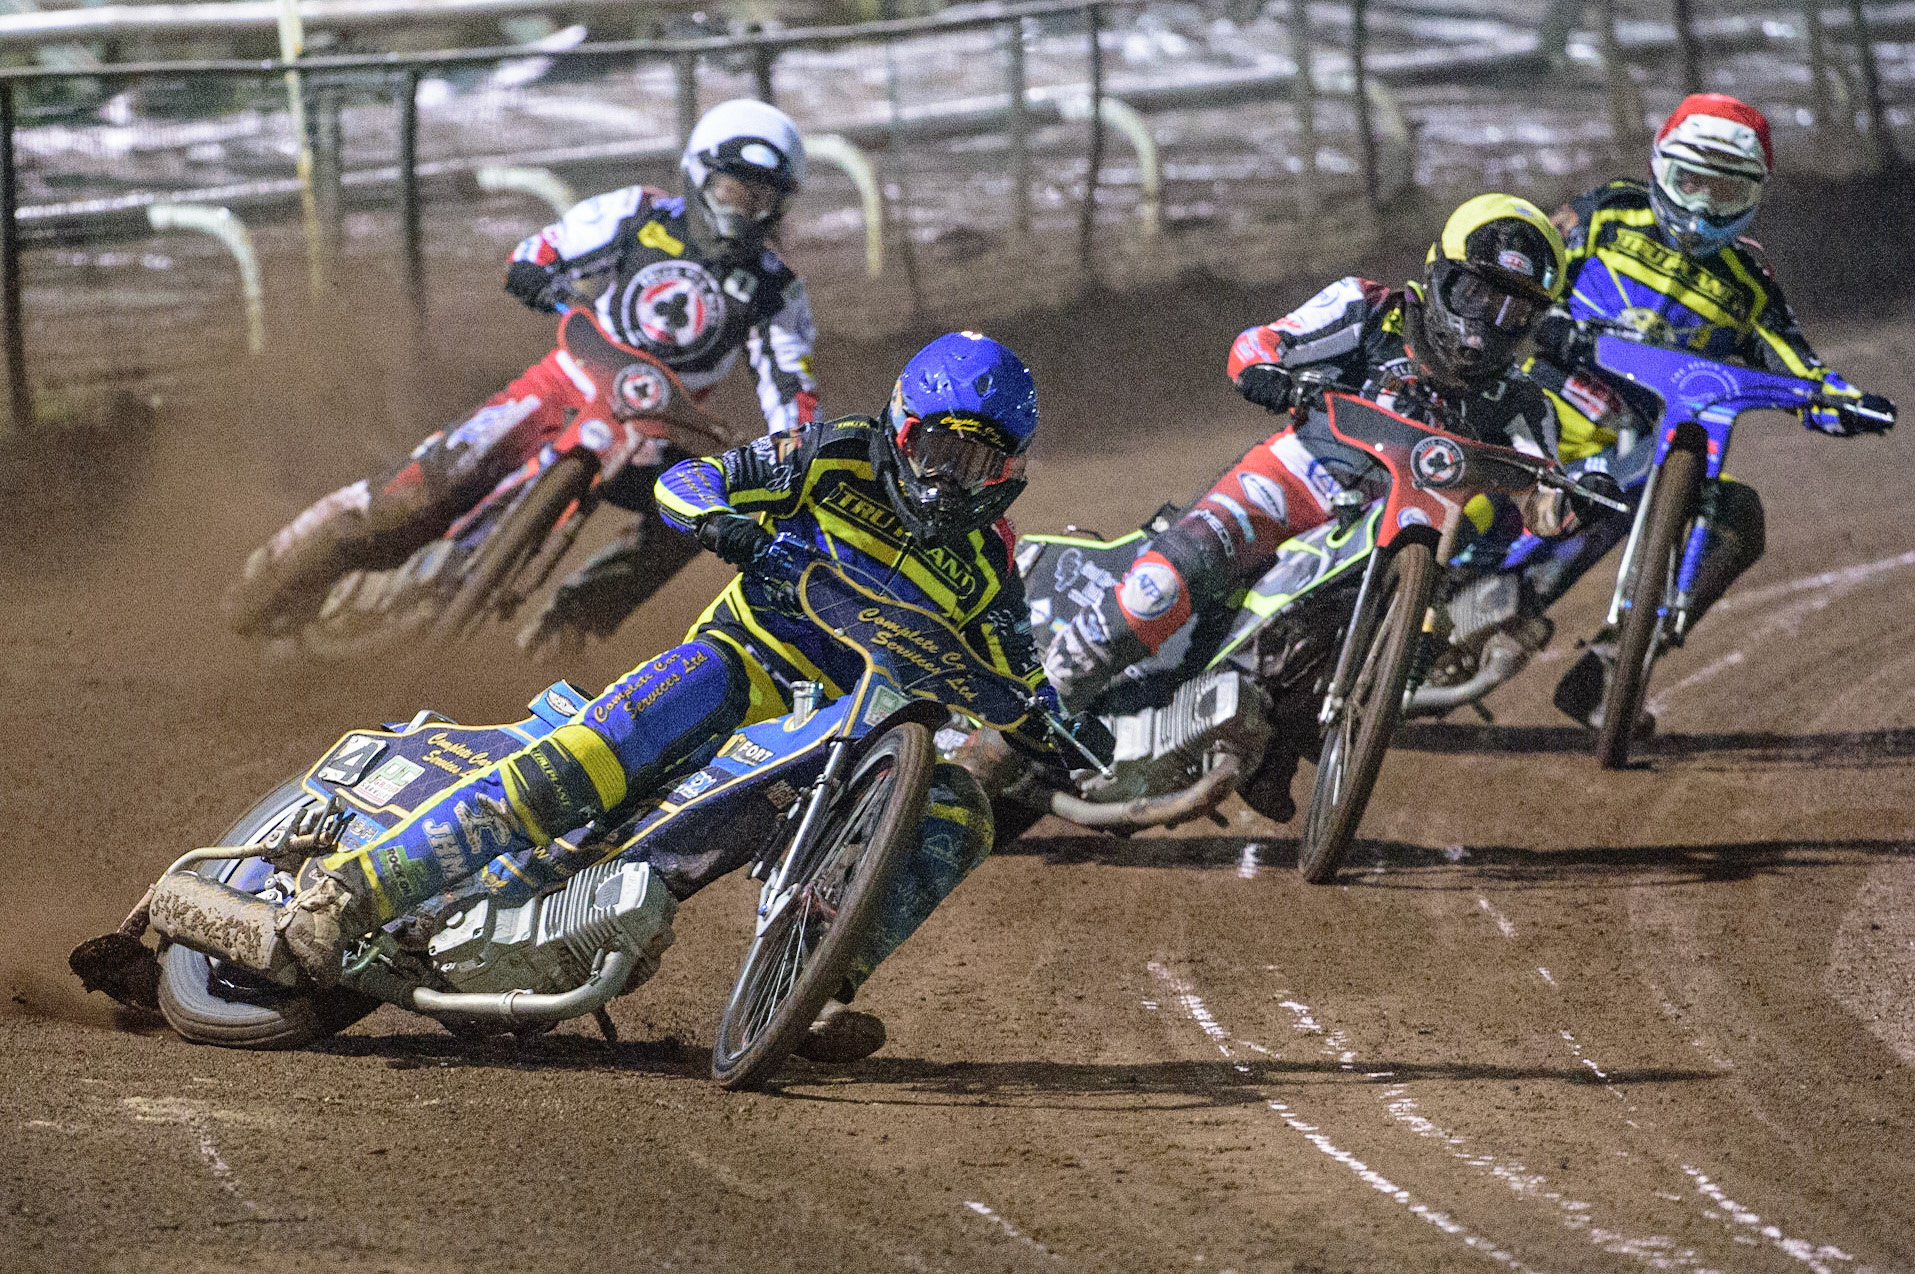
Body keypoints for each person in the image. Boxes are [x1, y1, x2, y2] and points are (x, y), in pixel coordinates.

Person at [229, 333, 1074, 1062]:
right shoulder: (831, 451)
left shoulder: (990, 566)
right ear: (901, 430)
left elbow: (1021, 674)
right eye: (940, 452)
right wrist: (726, 523)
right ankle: (349, 892)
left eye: (979, 461)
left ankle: (816, 982)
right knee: (589, 758)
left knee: (961, 806)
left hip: (841, 734)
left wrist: (1056, 727)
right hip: (740, 665)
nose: (951, 481)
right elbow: (693, 482)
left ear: (1010, 470)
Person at [1042, 193, 1578, 818]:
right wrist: (1272, 372)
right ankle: (1038, 704)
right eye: (1478, 294)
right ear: (1437, 275)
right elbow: (1260, 345)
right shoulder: (1369, 309)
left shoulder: (1524, 404)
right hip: (1295, 479)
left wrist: (1560, 499)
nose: (1490, 318)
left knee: (1418, 644)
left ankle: (1277, 736)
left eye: (1515, 311)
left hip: (1405, 536)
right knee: (1156, 590)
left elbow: (1548, 501)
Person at [224, 99, 823, 654]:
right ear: (699, 173)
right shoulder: (641, 213)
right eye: (732, 189)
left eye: (760, 199)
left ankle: (574, 620)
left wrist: (796, 441)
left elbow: (790, 382)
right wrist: (541, 277)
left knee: (705, 514)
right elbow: (542, 249)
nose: (743, 210)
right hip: (562, 384)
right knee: (408, 498)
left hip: (656, 431)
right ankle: (276, 575)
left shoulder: (776, 288)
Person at [1478, 93, 1896, 729]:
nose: (1702, 206)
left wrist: (1841, 401)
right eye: (1690, 181)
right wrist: (1543, 317)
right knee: (1472, 443)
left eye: (1724, 193)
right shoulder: (1609, 210)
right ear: (1659, 166)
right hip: (1549, 394)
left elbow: (1800, 363)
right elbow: (1528, 269)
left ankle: (1613, 668)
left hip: (1643, 441)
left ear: (1752, 197)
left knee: (1735, 514)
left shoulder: (1748, 280)